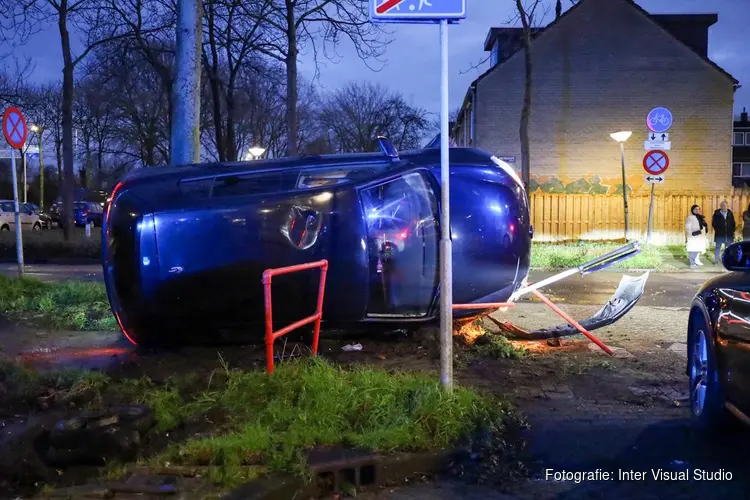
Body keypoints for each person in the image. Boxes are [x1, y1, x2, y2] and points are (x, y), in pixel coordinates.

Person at [712, 200, 736, 265]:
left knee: (728, 248)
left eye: (725, 206)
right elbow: (714, 223)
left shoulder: (730, 213)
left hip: (728, 234)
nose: (724, 207)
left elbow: (733, 223)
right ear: (720, 206)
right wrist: (718, 230)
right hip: (720, 234)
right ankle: (716, 260)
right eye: (722, 206)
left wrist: (732, 230)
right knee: (718, 247)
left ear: (727, 206)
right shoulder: (716, 213)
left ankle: (728, 260)